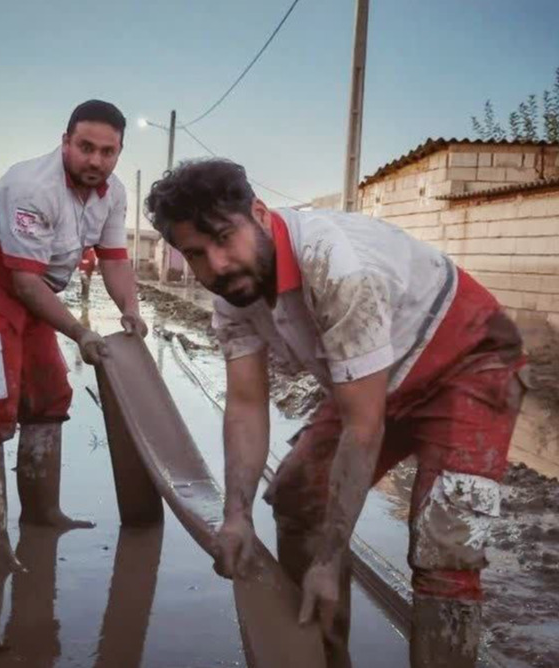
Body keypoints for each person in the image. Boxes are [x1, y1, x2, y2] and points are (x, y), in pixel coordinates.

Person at [144, 159, 526, 668]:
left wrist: (329, 558)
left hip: (470, 363)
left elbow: (362, 427)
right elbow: (245, 403)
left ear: (258, 213)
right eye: (195, 253)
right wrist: (236, 515)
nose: (216, 265)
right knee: (299, 500)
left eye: (223, 239)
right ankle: (323, 659)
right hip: (378, 378)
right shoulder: (232, 293)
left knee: (445, 546)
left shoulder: (336, 265)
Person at [0, 100, 148, 568]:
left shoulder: (112, 194)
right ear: (65, 142)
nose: (96, 160)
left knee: (50, 395)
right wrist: (78, 331)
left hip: (29, 286)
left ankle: (42, 514)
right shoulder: (34, 186)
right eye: (86, 147)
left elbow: (113, 259)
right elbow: (24, 282)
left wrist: (130, 308)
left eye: (108, 152)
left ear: (119, 152)